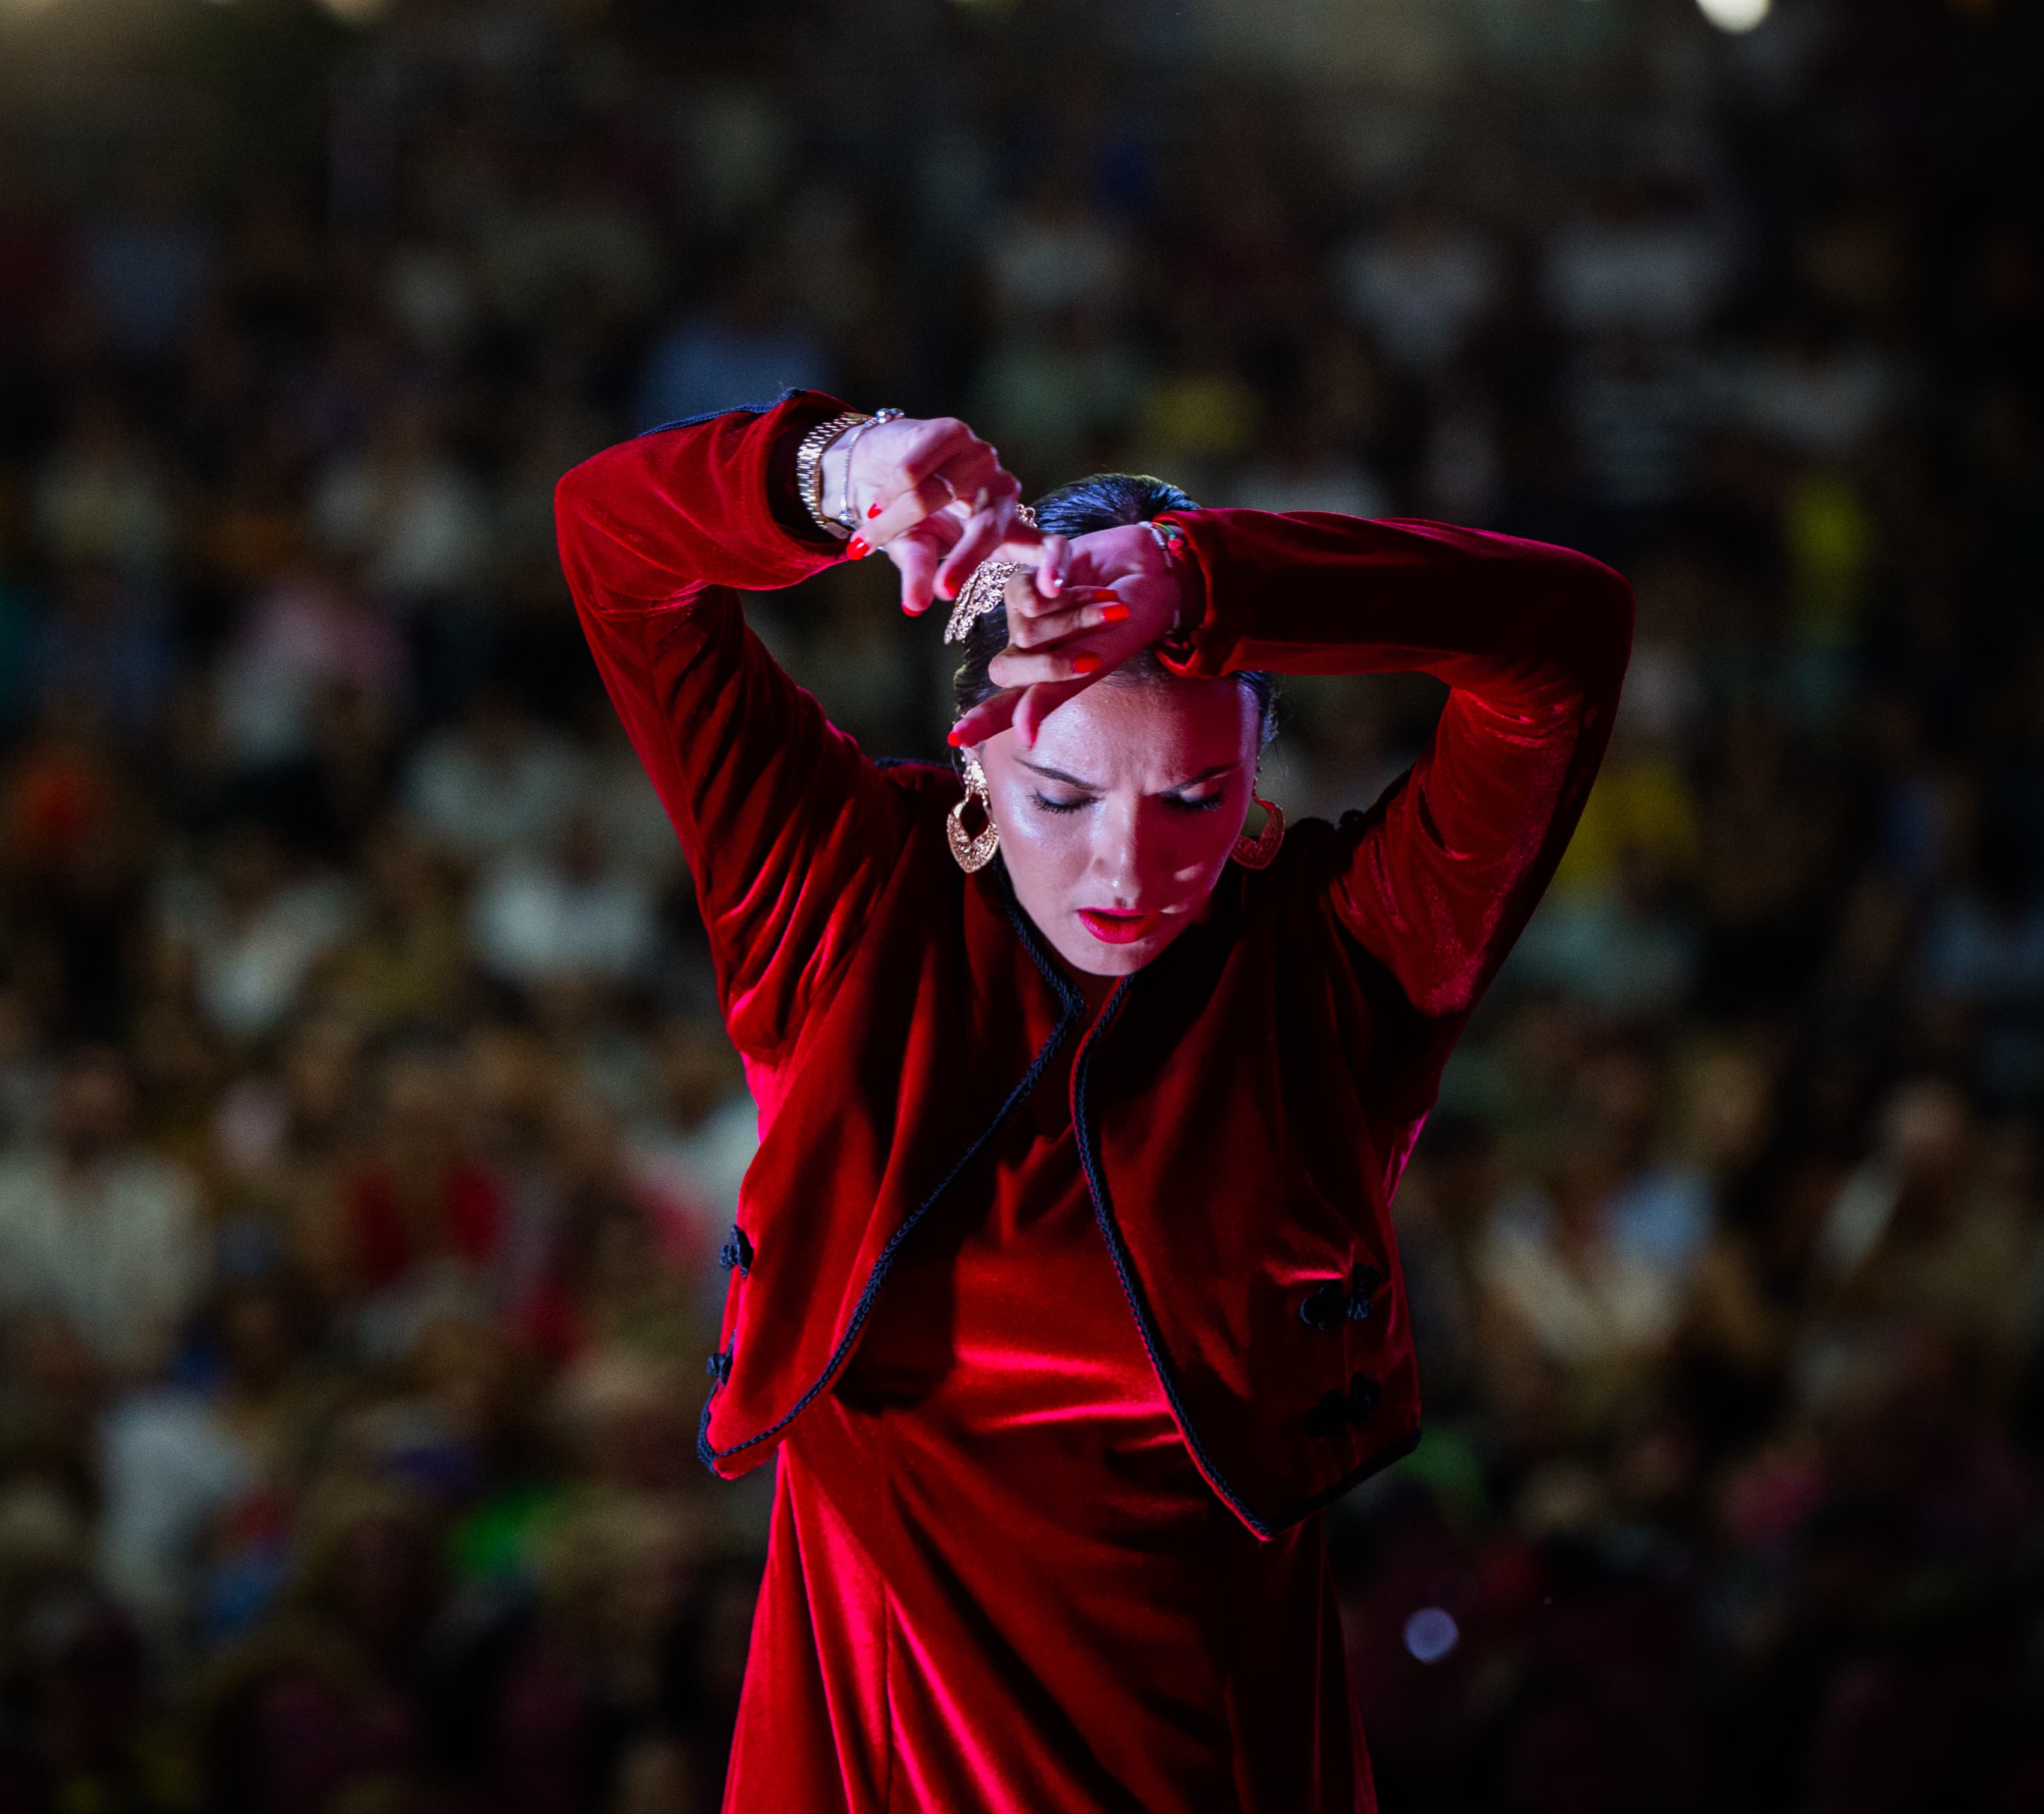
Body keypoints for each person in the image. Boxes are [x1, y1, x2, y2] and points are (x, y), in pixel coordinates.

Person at [555, 395, 1630, 1809]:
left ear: (1258, 782)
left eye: (1194, 798)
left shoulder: (1340, 969)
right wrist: (837, 473)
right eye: (1062, 795)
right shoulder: (841, 905)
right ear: (975, 765)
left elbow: (1565, 638)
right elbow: (609, 540)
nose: (1132, 865)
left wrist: (1209, 582)